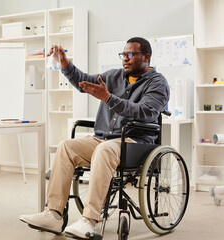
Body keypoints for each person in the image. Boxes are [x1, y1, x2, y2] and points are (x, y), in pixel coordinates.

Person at [20, 37, 170, 239]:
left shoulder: (158, 83)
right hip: (104, 139)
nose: (125, 59)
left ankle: (89, 221)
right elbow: (83, 82)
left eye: (130, 54)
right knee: (66, 146)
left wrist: (108, 98)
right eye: (123, 55)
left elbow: (145, 112)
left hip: (135, 143)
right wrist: (64, 62)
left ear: (146, 57)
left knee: (105, 149)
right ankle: (53, 214)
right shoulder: (113, 76)